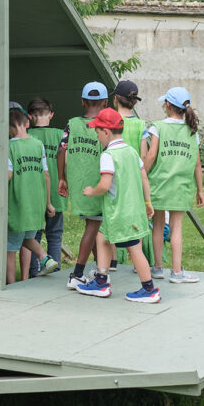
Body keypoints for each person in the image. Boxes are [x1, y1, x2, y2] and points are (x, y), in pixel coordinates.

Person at [75, 107, 160, 303]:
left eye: (97, 132)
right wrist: (148, 203)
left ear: (106, 132)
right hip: (132, 210)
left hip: (119, 213)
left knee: (134, 249)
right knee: (102, 237)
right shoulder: (130, 151)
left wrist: (91, 191)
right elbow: (143, 177)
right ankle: (101, 281)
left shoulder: (108, 155)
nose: (97, 137)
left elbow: (105, 185)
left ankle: (149, 289)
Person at [145, 86, 204, 283]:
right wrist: (200, 189)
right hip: (182, 186)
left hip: (158, 184)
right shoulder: (192, 131)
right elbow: (196, 163)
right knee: (176, 226)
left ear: (168, 105)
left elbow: (151, 155)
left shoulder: (157, 127)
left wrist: (141, 173)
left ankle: (157, 268)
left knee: (158, 226)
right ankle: (177, 272)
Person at [57, 81, 108, 288]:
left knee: (93, 227)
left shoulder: (72, 124)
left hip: (78, 185)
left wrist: (62, 178)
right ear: (105, 102)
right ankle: (77, 273)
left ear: (82, 102)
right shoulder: (104, 126)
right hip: (97, 186)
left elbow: (61, 150)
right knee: (93, 227)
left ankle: (98, 267)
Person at [7, 103, 58, 283]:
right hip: (36, 202)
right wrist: (48, 203)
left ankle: (11, 284)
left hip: (17, 202)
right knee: (28, 237)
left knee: (10, 248)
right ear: (27, 123)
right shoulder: (38, 145)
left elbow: (8, 175)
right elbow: (46, 175)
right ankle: (45, 258)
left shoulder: (8, 147)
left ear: (8, 127)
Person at [111, 78, 153, 268]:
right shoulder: (140, 125)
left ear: (116, 99)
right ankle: (139, 264)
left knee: (112, 216)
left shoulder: (111, 122)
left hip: (113, 178)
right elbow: (143, 155)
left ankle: (112, 261)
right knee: (136, 218)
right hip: (134, 179)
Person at [26, 97, 65, 277]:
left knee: (34, 235)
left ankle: (34, 272)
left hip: (34, 194)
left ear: (30, 117)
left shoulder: (28, 137)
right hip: (56, 192)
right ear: (51, 115)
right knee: (55, 234)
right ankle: (55, 272)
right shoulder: (59, 134)